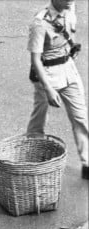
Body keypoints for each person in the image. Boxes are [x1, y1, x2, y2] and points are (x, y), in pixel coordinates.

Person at [27, 0, 88, 180]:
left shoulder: (69, 8)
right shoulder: (40, 22)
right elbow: (36, 60)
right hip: (48, 74)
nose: (71, 2)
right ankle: (32, 162)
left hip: (69, 70)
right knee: (39, 119)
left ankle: (88, 163)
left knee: (81, 117)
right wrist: (48, 89)